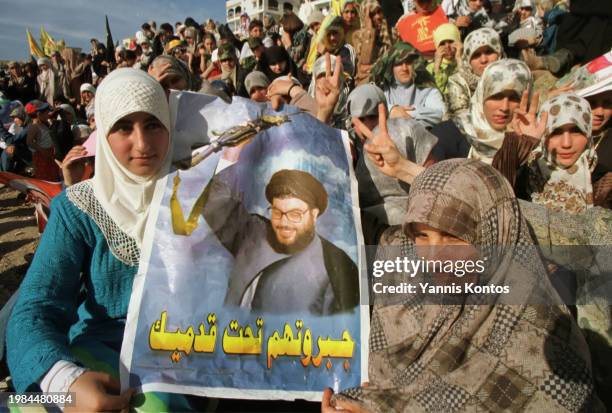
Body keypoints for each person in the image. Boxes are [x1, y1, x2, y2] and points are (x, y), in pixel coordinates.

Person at [322, 108, 604, 411]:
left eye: (455, 237)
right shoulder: (404, 260)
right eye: (422, 237)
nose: (435, 257)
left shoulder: (543, 341)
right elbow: (330, 217)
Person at [7, 68, 200, 412]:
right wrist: (64, 380)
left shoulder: (203, 198)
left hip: (183, 360)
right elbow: (36, 308)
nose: (142, 144)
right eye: (124, 127)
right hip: (95, 356)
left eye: (153, 124)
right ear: (103, 132)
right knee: (25, 403)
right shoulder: (78, 208)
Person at [187, 167, 359, 315]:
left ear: (314, 214)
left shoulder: (335, 265)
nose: (284, 223)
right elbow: (213, 202)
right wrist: (234, 154)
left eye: (295, 215)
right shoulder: (255, 233)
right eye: (277, 212)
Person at [348, 83, 438, 225]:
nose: (367, 125)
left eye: (372, 117)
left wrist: (402, 166)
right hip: (369, 230)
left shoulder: (407, 130)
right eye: (360, 120)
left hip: (417, 220)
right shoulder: (349, 146)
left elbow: (438, 186)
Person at [371, 42, 446, 128]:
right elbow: (370, 111)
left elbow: (439, 114)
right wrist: (392, 109)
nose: (404, 68)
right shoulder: (382, 88)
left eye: (408, 63)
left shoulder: (426, 88)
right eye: (399, 63)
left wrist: (407, 114)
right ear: (391, 67)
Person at [447, 27, 503, 116]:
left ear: (500, 53)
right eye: (476, 55)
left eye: (489, 52)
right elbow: (462, 119)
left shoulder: (513, 76)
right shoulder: (458, 81)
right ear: (468, 60)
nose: (484, 60)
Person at [352, 0, 394, 86]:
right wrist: (369, 31)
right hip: (366, 82)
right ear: (365, 16)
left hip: (388, 81)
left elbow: (393, 62)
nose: (378, 16)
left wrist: (374, 67)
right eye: (372, 14)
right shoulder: (357, 36)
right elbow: (365, 61)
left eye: (379, 12)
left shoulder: (392, 34)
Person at [25, 100, 60, 181]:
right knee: (45, 176)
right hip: (42, 155)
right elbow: (29, 142)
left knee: (53, 174)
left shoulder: (43, 124)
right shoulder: (34, 127)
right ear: (38, 114)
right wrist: (41, 150)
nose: (48, 113)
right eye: (46, 112)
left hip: (49, 153)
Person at [426, 22, 461, 95]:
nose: (447, 47)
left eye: (451, 42)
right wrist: (437, 67)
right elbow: (435, 93)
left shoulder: (467, 62)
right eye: (442, 43)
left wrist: (459, 59)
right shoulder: (430, 68)